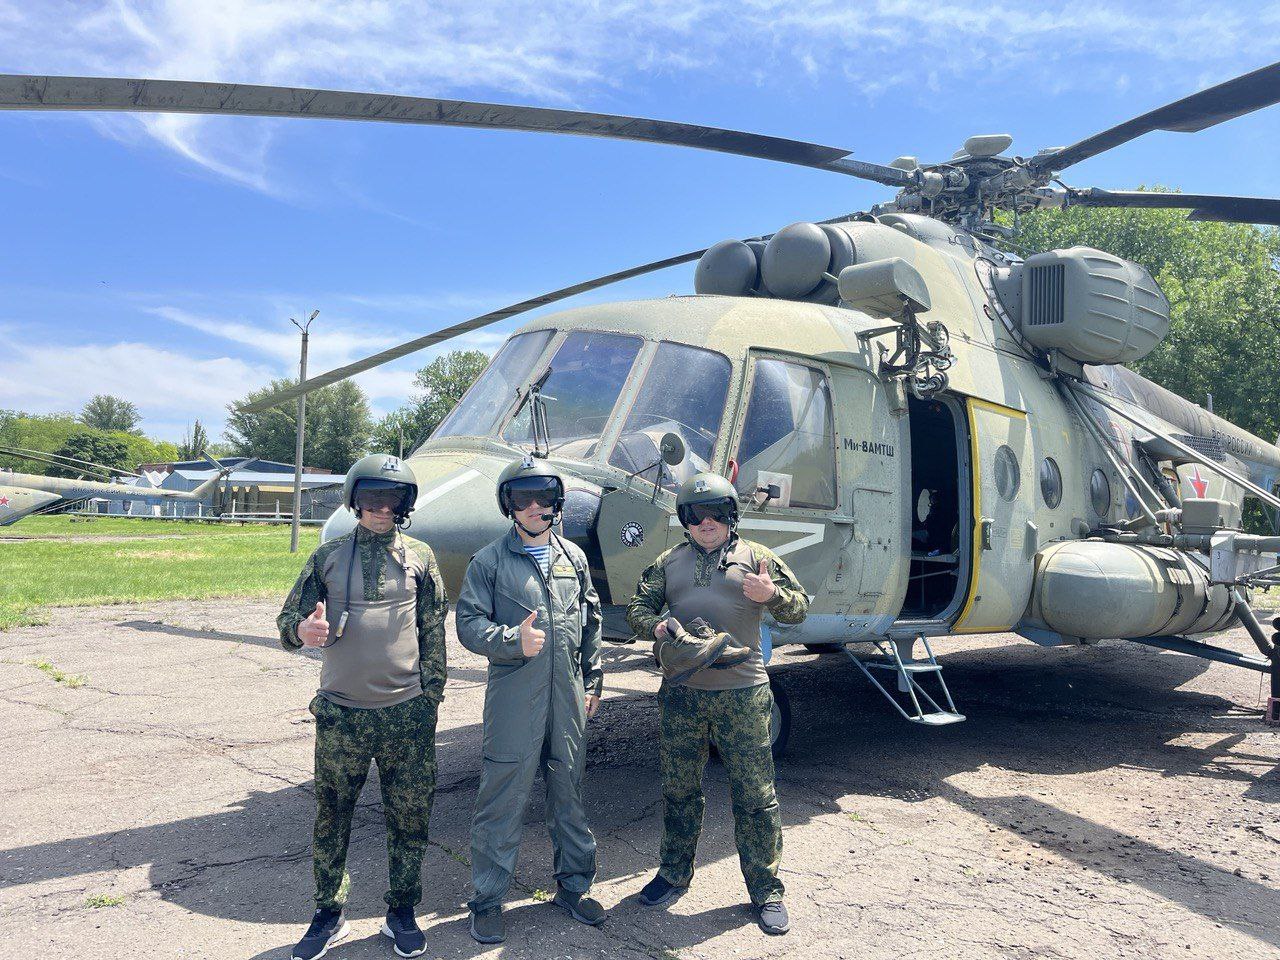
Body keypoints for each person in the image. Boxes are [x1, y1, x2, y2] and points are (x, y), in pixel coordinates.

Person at [277, 454, 446, 960]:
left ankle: (402, 912)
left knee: (410, 818)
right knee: (333, 817)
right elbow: (289, 619)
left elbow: (432, 632)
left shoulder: (420, 556)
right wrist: (301, 632)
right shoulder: (327, 557)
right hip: (342, 715)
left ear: (404, 504)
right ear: (354, 500)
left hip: (406, 716)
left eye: (391, 498)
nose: (381, 507)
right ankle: (328, 914)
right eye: (371, 497)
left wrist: (430, 701)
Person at [626, 471, 808, 935]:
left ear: (731, 516)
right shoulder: (669, 561)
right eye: (695, 514)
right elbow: (637, 610)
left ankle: (766, 890)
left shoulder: (758, 558)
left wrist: (772, 595)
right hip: (682, 695)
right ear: (684, 519)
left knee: (755, 797)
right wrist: (658, 628)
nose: (705, 522)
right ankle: (673, 873)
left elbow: (800, 606)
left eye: (715, 513)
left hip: (744, 695)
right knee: (680, 790)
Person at [455, 456, 605, 944]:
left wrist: (595, 680)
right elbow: (469, 624)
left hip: (568, 697)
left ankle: (574, 887)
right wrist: (508, 642)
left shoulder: (573, 558)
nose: (535, 506)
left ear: (557, 501)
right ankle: (488, 900)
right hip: (514, 699)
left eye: (543, 496)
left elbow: (591, 621)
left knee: (570, 794)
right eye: (523, 498)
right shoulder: (489, 561)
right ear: (509, 506)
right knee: (502, 796)